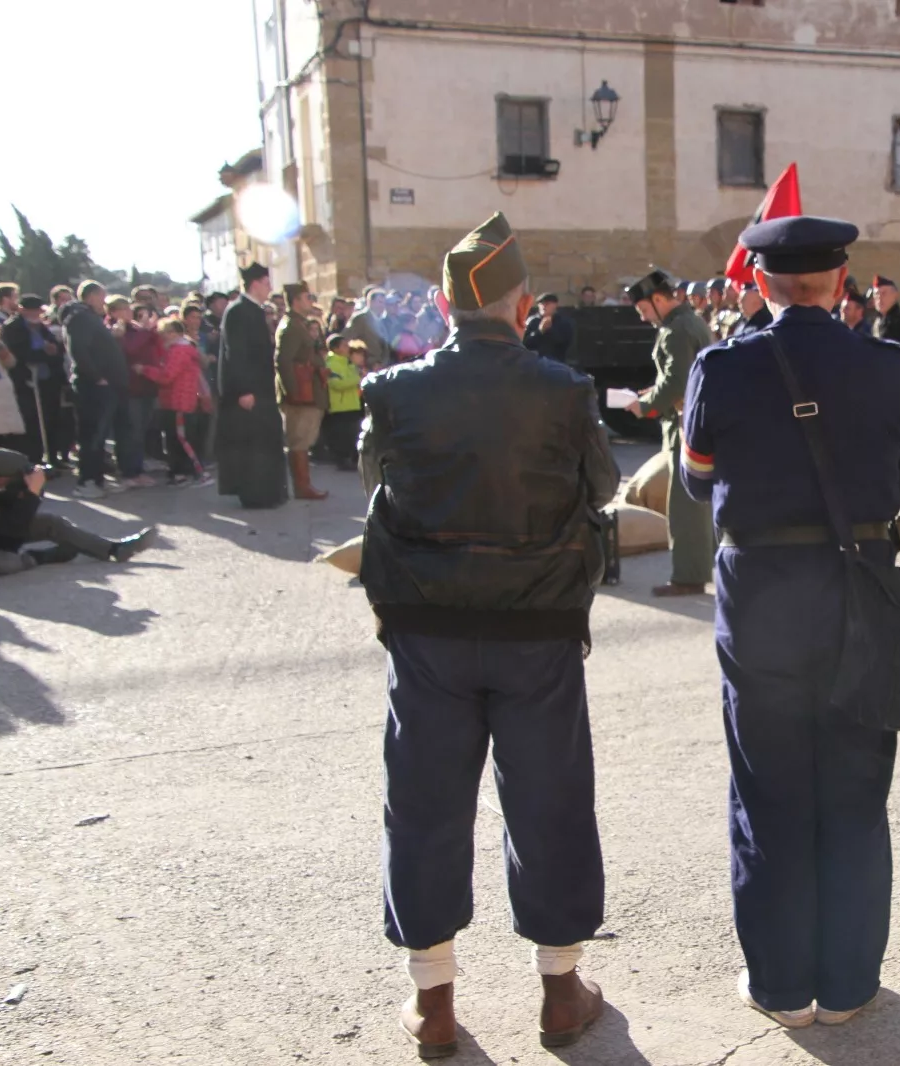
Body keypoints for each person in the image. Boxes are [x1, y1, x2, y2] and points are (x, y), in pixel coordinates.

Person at [359, 212, 617, 1055]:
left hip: (428, 627)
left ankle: (433, 1004)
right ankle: (558, 991)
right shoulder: (565, 388)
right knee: (549, 799)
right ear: (524, 306)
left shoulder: (393, 391)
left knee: (425, 803)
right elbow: (604, 484)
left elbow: (374, 473)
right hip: (538, 623)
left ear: (443, 305)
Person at [678, 214, 900, 1030]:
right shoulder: (888, 367)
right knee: (855, 786)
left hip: (762, 598)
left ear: (758, 283)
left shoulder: (721, 366)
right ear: (841, 281)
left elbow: (692, 478)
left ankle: (782, 987)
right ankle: (849, 984)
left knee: (769, 788)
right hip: (861, 590)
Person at [625, 267, 716, 596]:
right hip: (696, 419)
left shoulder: (675, 330)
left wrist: (646, 404)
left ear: (659, 299)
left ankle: (688, 577)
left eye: (644, 309)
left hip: (684, 424)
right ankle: (697, 568)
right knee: (697, 502)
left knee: (684, 505)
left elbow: (676, 382)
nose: (643, 317)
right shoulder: (689, 322)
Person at [0, 448, 156, 576]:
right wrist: (31, 493)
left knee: (49, 523)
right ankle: (40, 557)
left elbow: (10, 515)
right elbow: (12, 528)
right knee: (8, 562)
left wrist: (32, 491)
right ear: (0, 479)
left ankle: (113, 549)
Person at [216, 263, 288, 509]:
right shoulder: (238, 311)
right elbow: (236, 354)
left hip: (262, 389)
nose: (270, 287)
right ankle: (255, 493)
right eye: (267, 283)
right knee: (252, 446)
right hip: (249, 392)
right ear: (255, 283)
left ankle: (269, 491)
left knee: (265, 442)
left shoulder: (253, 310)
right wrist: (244, 389)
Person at [63, 281, 131, 499]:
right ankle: (87, 481)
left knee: (99, 437)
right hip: (92, 386)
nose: (104, 301)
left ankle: (97, 480)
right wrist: (97, 377)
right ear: (91, 296)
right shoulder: (80, 317)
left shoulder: (90, 317)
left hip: (103, 385)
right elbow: (79, 351)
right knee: (92, 436)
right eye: (102, 296)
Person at [136, 318, 211, 486]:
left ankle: (196, 472)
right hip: (175, 401)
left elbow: (166, 376)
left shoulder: (180, 350)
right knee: (175, 439)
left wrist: (144, 370)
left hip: (180, 401)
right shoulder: (180, 349)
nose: (163, 336)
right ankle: (179, 472)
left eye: (167, 332)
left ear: (176, 333)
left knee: (182, 439)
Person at [275, 283, 329, 500]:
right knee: (299, 441)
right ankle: (302, 486)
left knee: (304, 440)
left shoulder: (299, 324)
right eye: (307, 297)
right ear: (296, 301)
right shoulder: (292, 327)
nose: (311, 301)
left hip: (309, 390)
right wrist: (294, 392)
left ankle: (304, 485)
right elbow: (283, 361)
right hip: (301, 394)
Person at [0, 296, 67, 467]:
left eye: (38, 310)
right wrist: (45, 353)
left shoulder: (42, 327)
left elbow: (55, 348)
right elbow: (20, 353)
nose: (35, 313)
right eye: (31, 310)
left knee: (51, 419)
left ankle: (53, 457)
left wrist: (53, 350)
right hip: (27, 382)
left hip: (47, 380)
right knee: (32, 422)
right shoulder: (12, 328)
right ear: (22, 310)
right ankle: (34, 459)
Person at [116, 299, 166, 487]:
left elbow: (155, 345)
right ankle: (131, 472)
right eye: (127, 310)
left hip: (147, 385)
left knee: (140, 430)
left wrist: (151, 330)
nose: (129, 314)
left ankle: (136, 468)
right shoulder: (117, 330)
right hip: (132, 388)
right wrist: (145, 330)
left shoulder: (138, 330)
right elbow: (130, 349)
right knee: (132, 431)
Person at [323, 336, 366, 469]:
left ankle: (351, 459)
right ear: (336, 349)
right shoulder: (331, 364)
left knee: (353, 434)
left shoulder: (348, 363)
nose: (348, 348)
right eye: (344, 346)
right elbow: (337, 384)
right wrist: (357, 379)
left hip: (352, 403)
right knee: (342, 435)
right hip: (340, 406)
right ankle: (342, 461)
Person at [870, 275, 900, 366]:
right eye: (876, 294)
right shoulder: (877, 321)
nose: (879, 298)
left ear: (895, 295)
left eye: (884, 293)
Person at [345, 288, 394, 369]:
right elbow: (348, 340)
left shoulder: (382, 320)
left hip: (382, 366)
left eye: (384, 303)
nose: (382, 306)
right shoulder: (360, 319)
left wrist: (383, 363)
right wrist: (366, 362)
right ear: (370, 302)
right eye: (380, 302)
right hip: (366, 367)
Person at [522, 293, 576, 362]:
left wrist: (550, 330)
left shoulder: (563, 322)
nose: (544, 306)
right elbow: (525, 342)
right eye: (541, 304)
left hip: (556, 361)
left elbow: (565, 343)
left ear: (555, 305)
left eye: (547, 303)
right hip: (535, 361)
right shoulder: (532, 321)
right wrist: (539, 331)